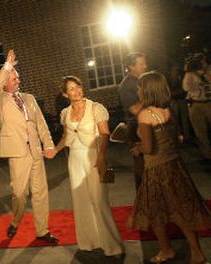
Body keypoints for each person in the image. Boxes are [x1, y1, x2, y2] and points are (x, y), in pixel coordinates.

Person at [129, 71, 211, 264]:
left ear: (147, 89)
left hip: (156, 169)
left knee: (156, 211)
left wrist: (138, 148)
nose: (137, 89)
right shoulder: (169, 110)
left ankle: (166, 250)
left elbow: (149, 147)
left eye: (140, 86)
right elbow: (176, 140)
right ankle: (197, 252)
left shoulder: (145, 115)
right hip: (175, 166)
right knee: (181, 210)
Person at [50, 76, 124, 257]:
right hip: (75, 159)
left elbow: (105, 134)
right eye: (72, 89)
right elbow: (66, 137)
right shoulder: (65, 113)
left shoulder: (96, 108)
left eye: (78, 87)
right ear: (65, 94)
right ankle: (89, 242)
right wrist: (55, 150)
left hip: (93, 156)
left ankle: (112, 245)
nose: (76, 91)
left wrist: (101, 157)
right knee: (81, 201)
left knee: (99, 201)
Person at [0, 50, 58, 243]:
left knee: (40, 192)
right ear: (5, 82)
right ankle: (15, 220)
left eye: (17, 76)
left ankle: (42, 231)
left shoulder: (29, 98)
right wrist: (7, 67)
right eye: (13, 78)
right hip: (18, 153)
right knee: (19, 194)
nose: (17, 80)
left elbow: (41, 123)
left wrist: (49, 144)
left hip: (36, 150)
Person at [118, 52, 148, 190]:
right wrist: (148, 95)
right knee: (141, 164)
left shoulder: (143, 80)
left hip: (147, 124)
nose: (145, 66)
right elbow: (134, 111)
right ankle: (143, 198)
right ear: (131, 67)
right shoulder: (126, 85)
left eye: (145, 62)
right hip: (136, 128)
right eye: (141, 63)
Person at [182, 54, 211, 163]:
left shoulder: (209, 69)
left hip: (209, 103)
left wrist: (203, 72)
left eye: (200, 59)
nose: (199, 62)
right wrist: (189, 71)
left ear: (205, 59)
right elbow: (185, 87)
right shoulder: (190, 72)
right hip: (195, 104)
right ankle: (207, 155)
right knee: (200, 132)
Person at [167, 65, 191, 142]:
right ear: (171, 72)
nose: (175, 72)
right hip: (174, 101)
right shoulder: (169, 80)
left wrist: (174, 93)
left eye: (176, 70)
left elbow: (184, 90)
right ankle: (179, 136)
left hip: (182, 100)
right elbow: (169, 92)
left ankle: (187, 136)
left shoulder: (180, 79)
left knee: (185, 119)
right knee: (175, 119)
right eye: (173, 70)